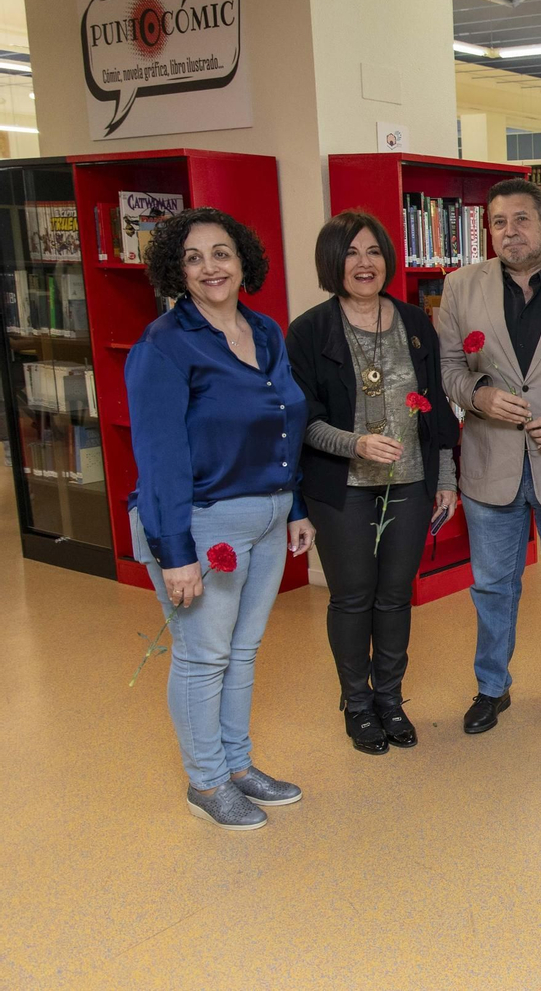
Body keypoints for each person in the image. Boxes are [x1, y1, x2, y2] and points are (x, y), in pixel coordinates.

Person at [125, 207, 316, 831]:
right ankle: (206, 781)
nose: (211, 267)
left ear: (243, 261)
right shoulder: (164, 345)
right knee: (204, 656)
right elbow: (158, 456)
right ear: (177, 271)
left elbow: (285, 425)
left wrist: (296, 507)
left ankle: (237, 766)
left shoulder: (262, 332)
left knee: (244, 650)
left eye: (222, 253)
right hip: (199, 522)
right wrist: (174, 551)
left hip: (267, 513)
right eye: (194, 257)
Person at [287, 211, 460, 755]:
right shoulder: (310, 330)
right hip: (342, 487)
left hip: (410, 481)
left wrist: (447, 476)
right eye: (352, 253)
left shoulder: (413, 322)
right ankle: (357, 704)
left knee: (393, 597)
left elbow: (435, 407)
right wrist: (355, 443)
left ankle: (390, 698)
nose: (365, 264)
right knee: (353, 595)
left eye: (374, 252)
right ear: (332, 263)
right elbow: (302, 420)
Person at [434, 178, 541, 734]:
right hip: (490, 464)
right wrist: (477, 395)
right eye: (499, 222)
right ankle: (491, 687)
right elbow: (449, 369)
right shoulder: (460, 287)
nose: (511, 232)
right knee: (492, 586)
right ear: (489, 230)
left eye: (522, 220)